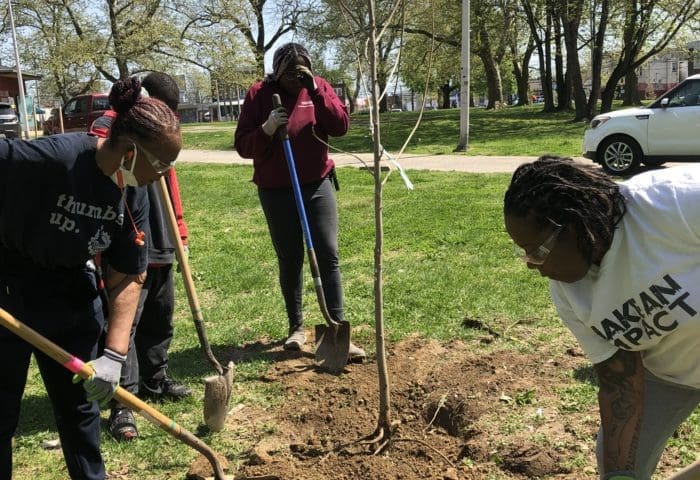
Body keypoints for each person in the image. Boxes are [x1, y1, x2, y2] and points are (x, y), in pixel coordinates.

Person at [0, 76, 180, 479]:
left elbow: (129, 275)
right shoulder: (53, 160)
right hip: (9, 291)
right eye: (164, 164)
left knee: (81, 417)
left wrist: (114, 357)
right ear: (131, 152)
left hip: (71, 300)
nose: (165, 174)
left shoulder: (131, 192)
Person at [503, 156, 700, 480]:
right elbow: (619, 379)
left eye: (535, 251)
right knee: (618, 467)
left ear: (577, 226)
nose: (530, 264)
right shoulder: (569, 294)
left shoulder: (675, 202)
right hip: (668, 374)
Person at [234, 42, 365, 361]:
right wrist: (266, 129)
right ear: (276, 73)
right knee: (290, 256)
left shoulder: (318, 87)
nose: (295, 78)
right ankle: (296, 327)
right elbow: (243, 145)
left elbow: (341, 126)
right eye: (289, 74)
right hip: (276, 188)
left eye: (301, 72)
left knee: (327, 252)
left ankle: (335, 327)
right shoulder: (259, 94)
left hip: (316, 182)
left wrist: (316, 93)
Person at [90, 72, 192, 442]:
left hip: (161, 237)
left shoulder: (161, 137)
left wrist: (179, 230)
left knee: (160, 315)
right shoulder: (114, 132)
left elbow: (172, 184)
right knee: (125, 323)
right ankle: (124, 403)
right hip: (127, 240)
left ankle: (155, 377)